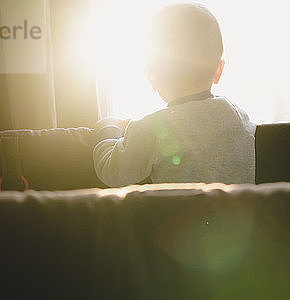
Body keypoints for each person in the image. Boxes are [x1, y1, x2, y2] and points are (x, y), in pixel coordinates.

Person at [93, 3, 255, 187]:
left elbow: (113, 171)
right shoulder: (238, 117)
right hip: (234, 214)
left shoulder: (150, 129)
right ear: (219, 70)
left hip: (176, 216)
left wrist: (108, 129)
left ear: (152, 77)